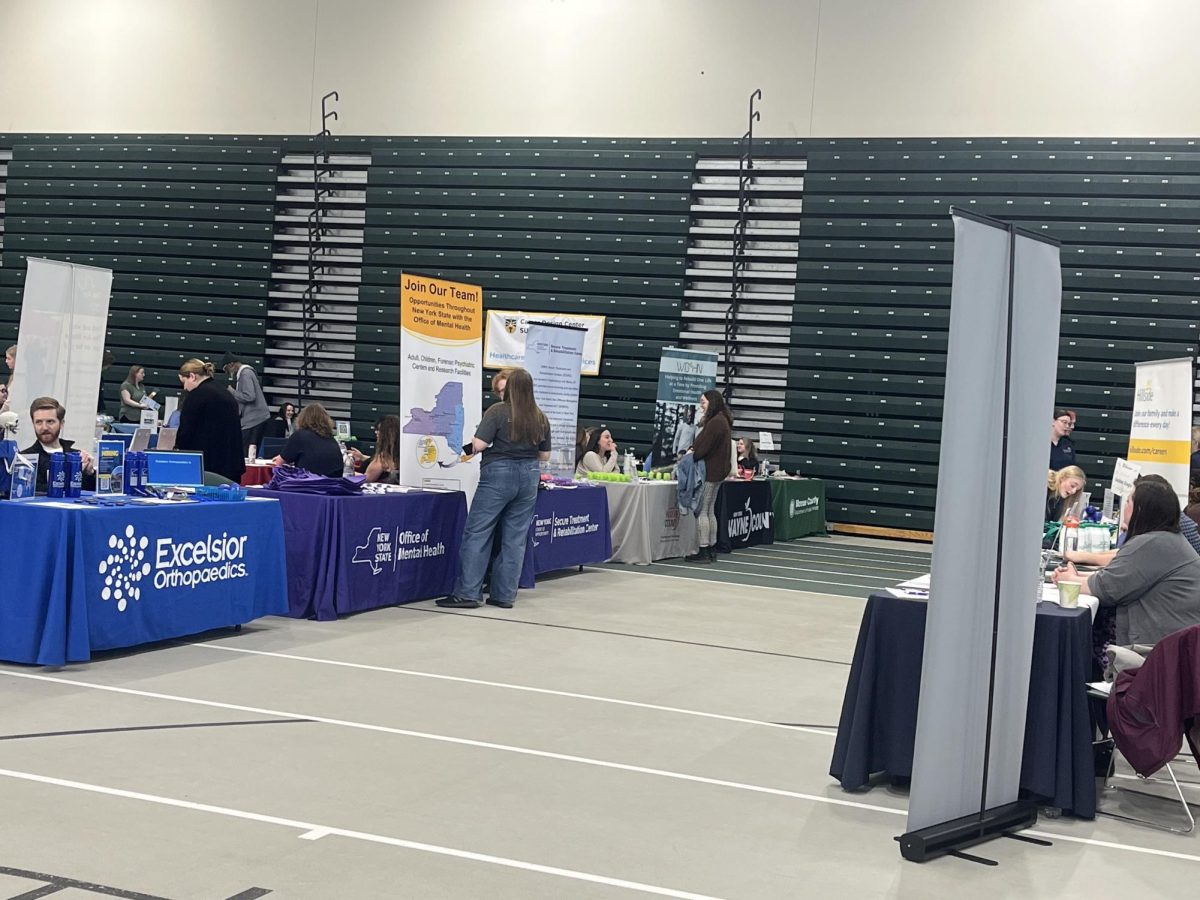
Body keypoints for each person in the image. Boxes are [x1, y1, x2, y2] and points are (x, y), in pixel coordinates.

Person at [438, 367, 550, 610]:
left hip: (499, 473)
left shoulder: (498, 411)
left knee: (478, 532)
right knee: (515, 538)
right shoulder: (540, 416)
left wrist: (458, 454)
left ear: (509, 388)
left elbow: (479, 444)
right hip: (530, 475)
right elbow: (545, 454)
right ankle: (504, 595)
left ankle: (468, 593)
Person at [1054, 476, 1200, 647]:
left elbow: (1106, 588)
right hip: (1173, 644)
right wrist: (1078, 575)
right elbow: (1119, 575)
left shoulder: (1154, 543)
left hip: (1158, 650)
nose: (1125, 506)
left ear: (1140, 509)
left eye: (1129, 501)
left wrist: (1070, 579)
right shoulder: (1166, 540)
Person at [175, 359, 245, 483]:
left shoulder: (196, 395)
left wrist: (178, 450)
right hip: (230, 463)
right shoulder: (224, 392)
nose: (185, 388)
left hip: (208, 465)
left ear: (192, 376)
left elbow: (186, 431)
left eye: (184, 382)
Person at [685, 389, 733, 563]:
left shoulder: (715, 423)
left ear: (712, 403)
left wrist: (691, 453)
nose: (701, 406)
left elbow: (701, 448)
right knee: (710, 510)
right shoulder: (723, 420)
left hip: (709, 472)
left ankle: (703, 549)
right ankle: (711, 547)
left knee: (702, 511)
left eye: (703, 402)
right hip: (719, 472)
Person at [20, 397, 96, 492]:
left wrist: (90, 473)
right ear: (33, 424)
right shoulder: (25, 459)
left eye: (50, 421)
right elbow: (34, 490)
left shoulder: (76, 456)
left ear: (62, 423)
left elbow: (92, 492)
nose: (44, 427)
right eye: (39, 422)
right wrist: (72, 475)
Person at [272, 403, 344, 477]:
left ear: (302, 418)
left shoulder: (299, 435)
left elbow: (278, 463)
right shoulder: (331, 439)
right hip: (334, 484)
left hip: (309, 484)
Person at [220, 352, 270, 455]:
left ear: (231, 364)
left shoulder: (245, 374)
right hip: (256, 417)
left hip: (253, 418)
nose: (227, 373)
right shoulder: (247, 373)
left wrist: (232, 392)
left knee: (245, 451)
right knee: (248, 450)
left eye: (226, 369)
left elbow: (249, 396)